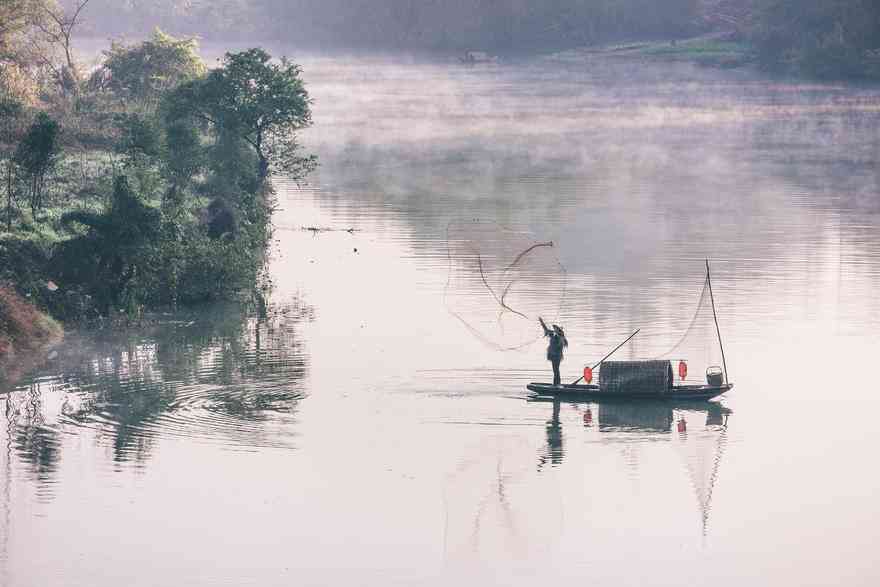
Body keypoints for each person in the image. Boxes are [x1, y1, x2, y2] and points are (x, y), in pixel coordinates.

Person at [539, 317, 568, 386]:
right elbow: (546, 330)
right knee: (555, 370)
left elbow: (564, 343)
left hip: (557, 357)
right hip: (553, 356)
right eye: (554, 329)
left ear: (559, 331)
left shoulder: (561, 338)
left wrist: (559, 334)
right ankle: (556, 384)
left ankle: (556, 384)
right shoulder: (553, 335)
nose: (554, 330)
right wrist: (542, 322)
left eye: (556, 329)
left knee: (556, 370)